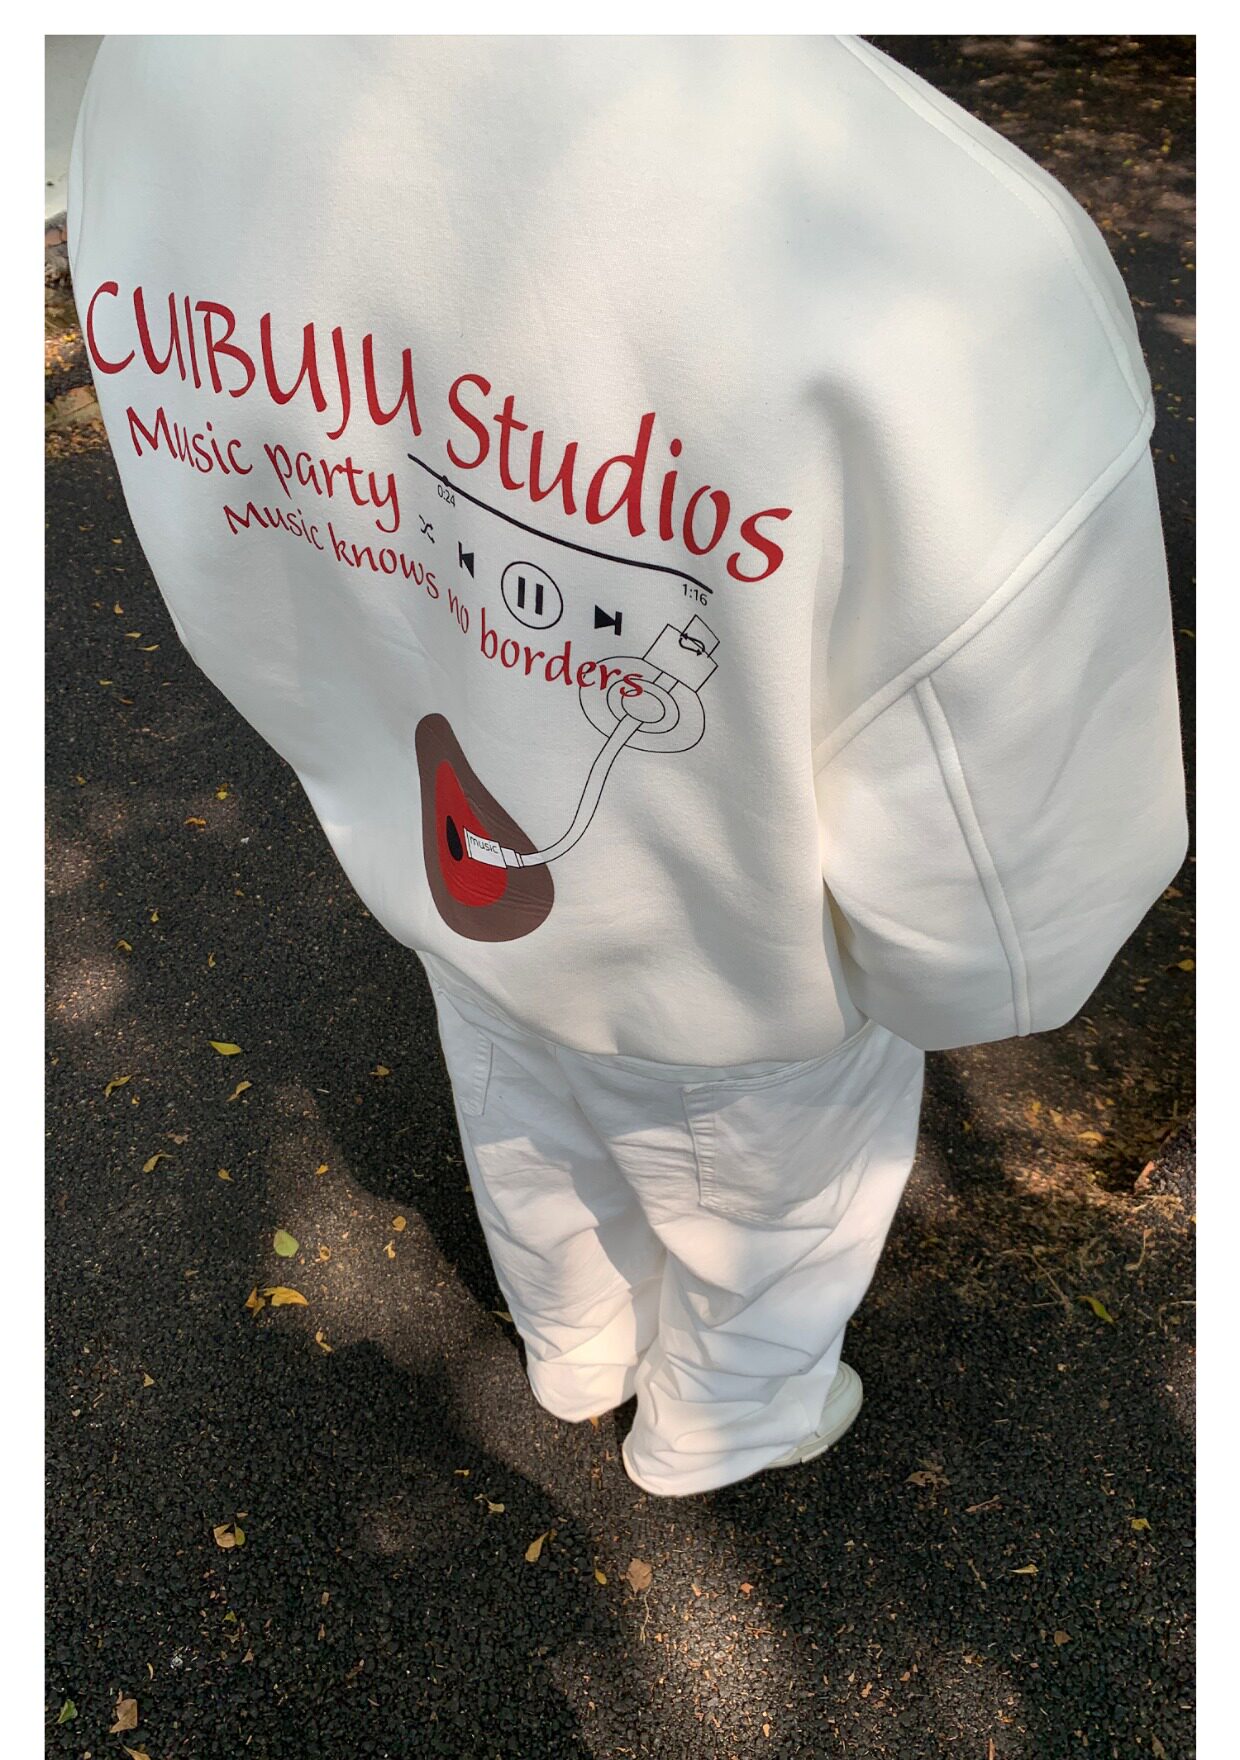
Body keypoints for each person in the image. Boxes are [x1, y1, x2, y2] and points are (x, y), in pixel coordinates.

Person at [68, 36, 1188, 1497]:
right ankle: (725, 1425)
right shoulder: (939, 248)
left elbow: (215, 512)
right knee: (770, 1225)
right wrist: (924, 983)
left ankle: (575, 1351)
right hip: (740, 960)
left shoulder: (169, 68)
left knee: (523, 1131)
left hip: (437, 863)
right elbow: (1021, 887)